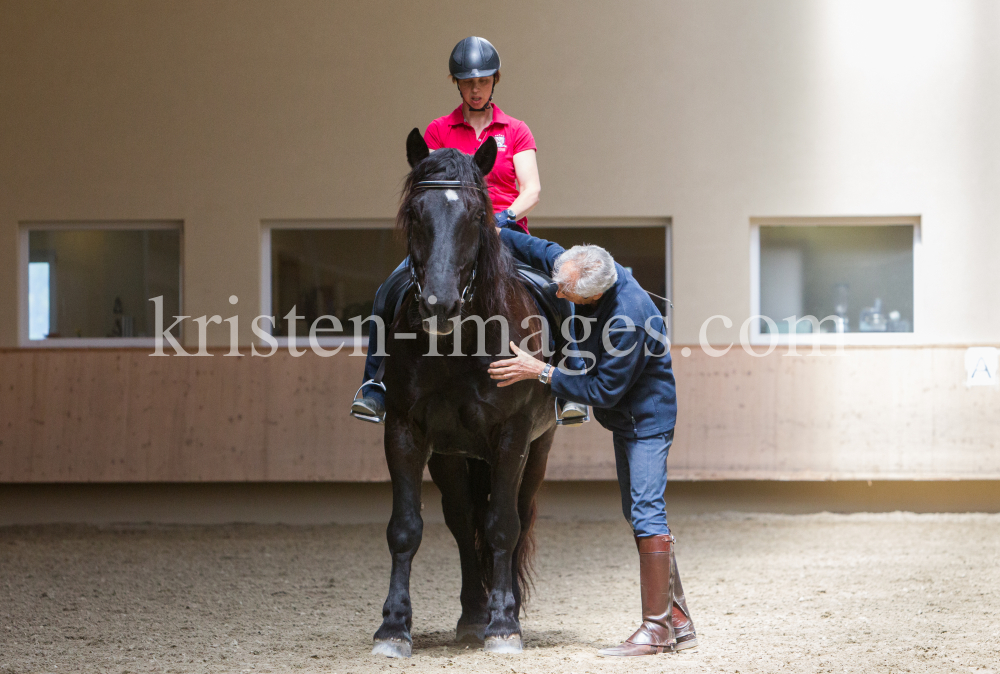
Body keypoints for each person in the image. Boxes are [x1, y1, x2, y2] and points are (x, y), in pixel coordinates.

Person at [350, 36, 586, 424]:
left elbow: (533, 190)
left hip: (503, 234)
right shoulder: (439, 130)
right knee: (386, 292)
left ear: (495, 81)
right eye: (467, 82)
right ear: (456, 83)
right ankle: (374, 385)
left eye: (483, 81)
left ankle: (570, 382)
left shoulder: (515, 131)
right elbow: (428, 189)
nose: (475, 90)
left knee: (558, 291)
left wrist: (501, 219)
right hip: (449, 236)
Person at [487, 229, 697, 657]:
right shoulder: (582, 266)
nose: (555, 290)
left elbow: (604, 392)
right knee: (637, 510)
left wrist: (540, 371)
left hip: (646, 421)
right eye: (558, 280)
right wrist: (497, 231)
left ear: (592, 293)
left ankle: (656, 629)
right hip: (627, 420)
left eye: (564, 291)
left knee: (645, 511)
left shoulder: (629, 320)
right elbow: (544, 250)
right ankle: (678, 619)